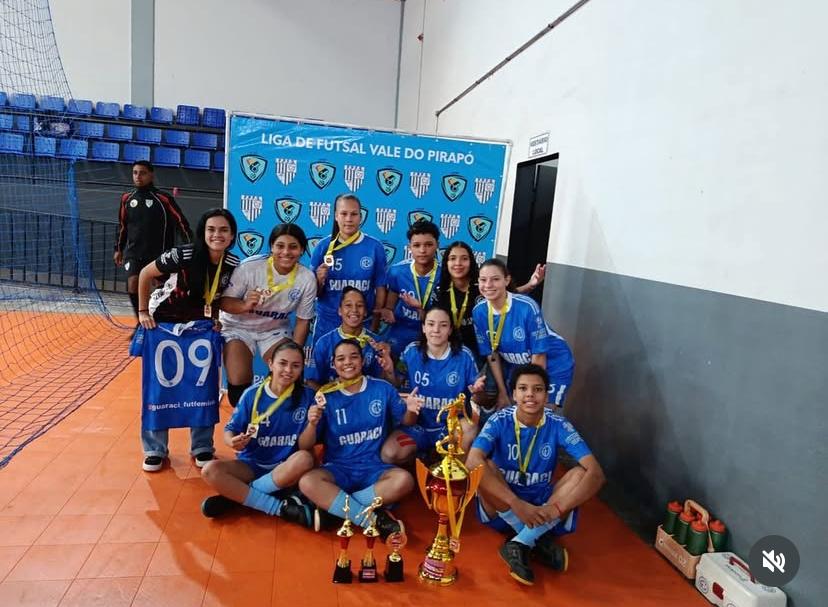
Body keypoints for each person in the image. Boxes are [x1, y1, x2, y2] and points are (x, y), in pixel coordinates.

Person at [466, 364, 605, 586]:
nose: (530, 394)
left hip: (543, 509)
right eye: (523, 388)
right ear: (514, 394)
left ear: (546, 394)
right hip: (503, 507)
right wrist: (516, 503)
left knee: (581, 474)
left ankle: (520, 542)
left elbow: (596, 474)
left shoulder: (558, 423)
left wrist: (554, 509)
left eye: (537, 389)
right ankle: (536, 538)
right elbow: (472, 460)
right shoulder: (499, 420)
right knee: (484, 466)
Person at [136, 208, 240, 471]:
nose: (217, 235)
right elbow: (145, 274)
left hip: (199, 329)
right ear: (202, 232)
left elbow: (215, 296)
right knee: (160, 387)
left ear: (232, 235)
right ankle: (154, 449)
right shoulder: (183, 254)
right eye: (212, 229)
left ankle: (202, 446)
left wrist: (214, 318)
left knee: (203, 387)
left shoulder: (232, 264)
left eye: (224, 230)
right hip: (164, 324)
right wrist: (142, 312)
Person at [297, 339, 418, 538]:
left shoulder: (382, 388)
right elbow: (305, 445)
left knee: (404, 480)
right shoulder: (325, 396)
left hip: (374, 469)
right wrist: (311, 423)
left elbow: (407, 420)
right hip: (339, 469)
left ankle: (336, 511)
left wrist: (411, 409)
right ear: (334, 364)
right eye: (341, 359)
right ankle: (374, 519)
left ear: (362, 361)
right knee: (308, 482)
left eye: (353, 357)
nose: (348, 362)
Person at [200, 340, 316, 525]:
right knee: (210, 471)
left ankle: (238, 498)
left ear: (302, 369)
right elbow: (229, 431)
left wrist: (312, 423)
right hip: (251, 465)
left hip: (285, 467)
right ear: (270, 363)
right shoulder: (252, 394)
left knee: (305, 458)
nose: (288, 370)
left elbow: (305, 446)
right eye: (282, 363)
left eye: (296, 366)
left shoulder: (308, 397)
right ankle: (278, 508)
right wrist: (233, 442)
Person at [219, 224, 317, 407]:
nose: (286, 252)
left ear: (302, 250)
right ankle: (244, 428)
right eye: (280, 246)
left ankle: (277, 428)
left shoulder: (306, 278)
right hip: (238, 327)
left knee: (289, 376)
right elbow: (223, 303)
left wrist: (294, 353)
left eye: (293, 247)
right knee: (238, 387)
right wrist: (244, 304)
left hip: (274, 329)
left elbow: (303, 322)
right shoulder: (250, 267)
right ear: (271, 247)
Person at [381, 305, 485, 465]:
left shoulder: (464, 356)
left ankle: (450, 473)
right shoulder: (411, 352)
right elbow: (396, 383)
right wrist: (389, 371)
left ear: (450, 329)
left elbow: (477, 396)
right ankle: (422, 457)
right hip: (418, 426)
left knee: (469, 428)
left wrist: (478, 391)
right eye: (430, 324)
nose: (436, 330)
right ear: (423, 327)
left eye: (443, 325)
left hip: (449, 427)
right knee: (389, 454)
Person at [472, 258, 573, 410]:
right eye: (483, 280)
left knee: (537, 413)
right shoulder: (479, 312)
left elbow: (539, 356)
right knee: (514, 413)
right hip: (519, 366)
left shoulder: (526, 307)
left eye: (495, 279)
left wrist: (528, 394)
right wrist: (503, 393)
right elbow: (492, 355)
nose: (488, 285)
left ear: (507, 280)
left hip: (552, 363)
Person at [437, 241, 546, 359]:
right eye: (452, 258)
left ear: (471, 262)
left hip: (480, 350)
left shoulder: (482, 286)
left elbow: (508, 296)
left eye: (464, 258)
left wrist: (530, 285)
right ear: (446, 262)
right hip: (449, 349)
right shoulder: (440, 290)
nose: (458, 263)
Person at [114, 160, 192, 320]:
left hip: (159, 252)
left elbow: (181, 223)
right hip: (134, 252)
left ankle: (158, 319)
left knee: (160, 288)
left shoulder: (163, 199)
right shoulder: (127, 198)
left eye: (142, 173)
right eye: (135, 173)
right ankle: (140, 321)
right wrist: (118, 248)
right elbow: (122, 226)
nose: (138, 176)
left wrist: (191, 245)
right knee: (133, 283)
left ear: (151, 175)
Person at [310, 194, 388, 343]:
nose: (348, 219)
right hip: (328, 324)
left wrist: (375, 323)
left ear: (360, 216)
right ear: (336, 216)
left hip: (362, 323)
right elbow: (314, 293)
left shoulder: (374, 247)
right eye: (344, 214)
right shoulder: (323, 247)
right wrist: (319, 280)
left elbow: (380, 287)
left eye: (354, 214)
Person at [305, 287, 395, 389]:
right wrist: (329, 402)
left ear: (365, 311)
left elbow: (387, 386)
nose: (354, 310)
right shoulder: (324, 343)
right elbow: (311, 382)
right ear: (340, 311)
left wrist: (388, 370)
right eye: (348, 305)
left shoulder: (377, 344)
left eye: (359, 306)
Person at [381, 220, 441, 358]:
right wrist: (388, 310)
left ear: (437, 245)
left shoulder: (444, 276)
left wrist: (421, 308)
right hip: (401, 331)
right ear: (409, 247)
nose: (422, 250)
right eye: (417, 245)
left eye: (428, 245)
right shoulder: (397, 271)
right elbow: (393, 293)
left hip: (432, 334)